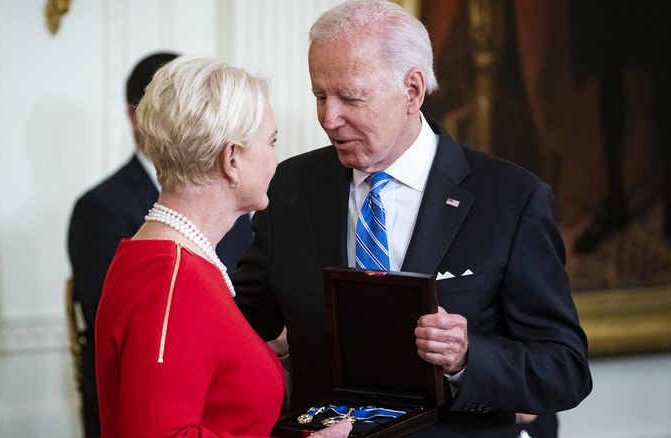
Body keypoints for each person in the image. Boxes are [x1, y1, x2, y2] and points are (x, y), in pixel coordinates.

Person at [232, 1, 593, 437]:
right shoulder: (290, 186)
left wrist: (465, 358)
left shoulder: (513, 199)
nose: (329, 119)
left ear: (413, 90)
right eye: (320, 95)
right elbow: (238, 328)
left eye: (350, 97)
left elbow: (564, 370)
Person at [94, 56, 352, 438]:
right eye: (271, 142)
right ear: (232, 160)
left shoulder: (169, 259)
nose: (275, 161)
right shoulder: (171, 278)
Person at [67, 52, 254, 437]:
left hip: (219, 394)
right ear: (136, 115)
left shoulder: (235, 202)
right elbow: (123, 324)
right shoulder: (100, 207)